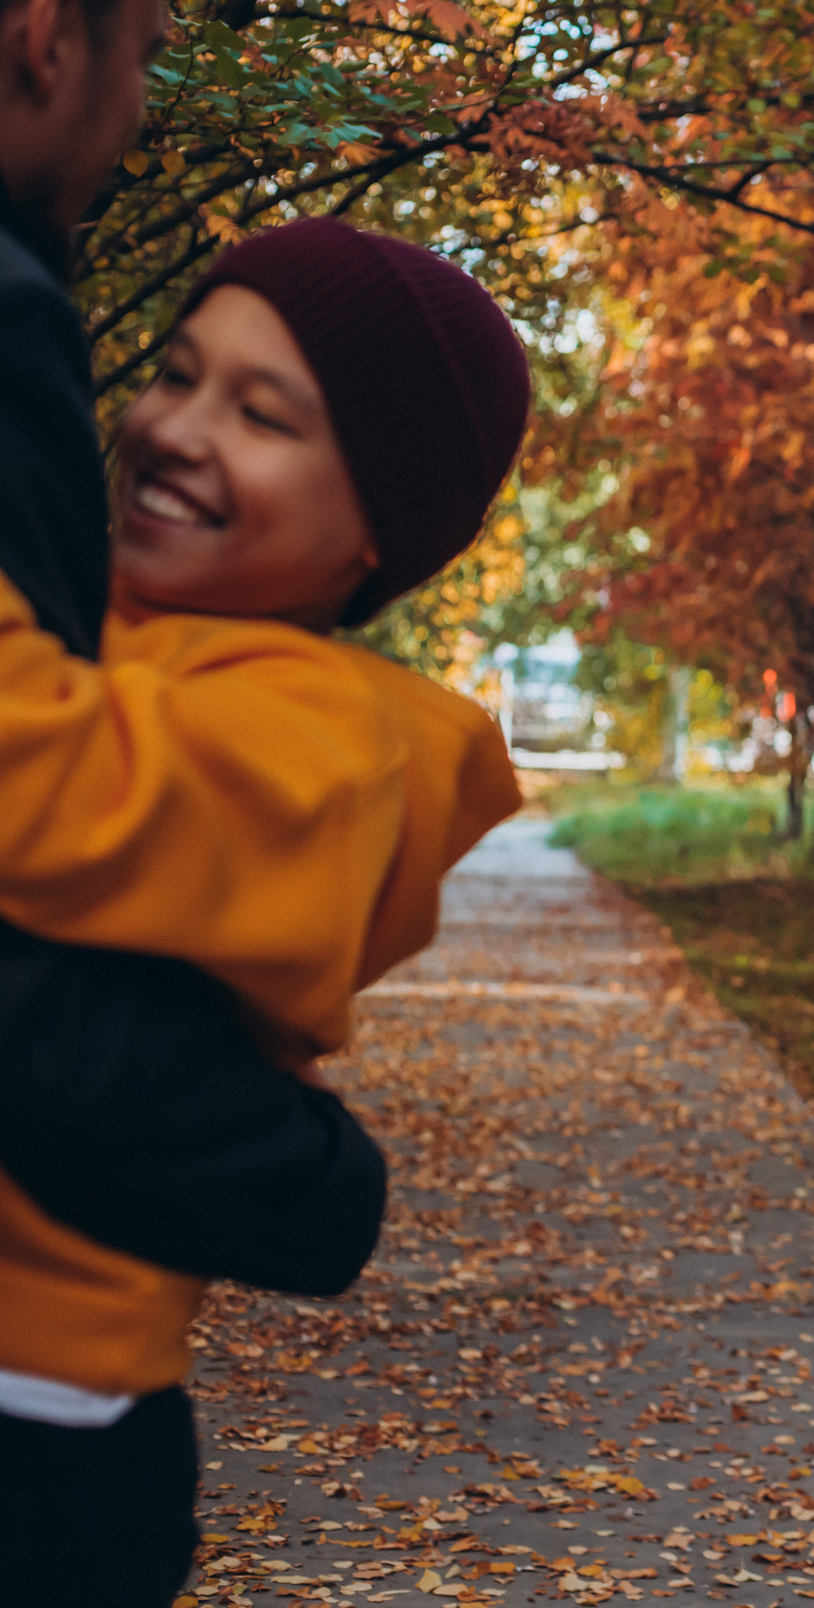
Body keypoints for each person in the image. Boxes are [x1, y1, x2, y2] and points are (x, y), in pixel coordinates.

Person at [0, 217, 530, 1603]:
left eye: (262, 413)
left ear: (375, 525)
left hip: (40, 1425)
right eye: (177, 372)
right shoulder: (107, 625)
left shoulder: (331, 741)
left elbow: (39, 785)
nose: (171, 425)